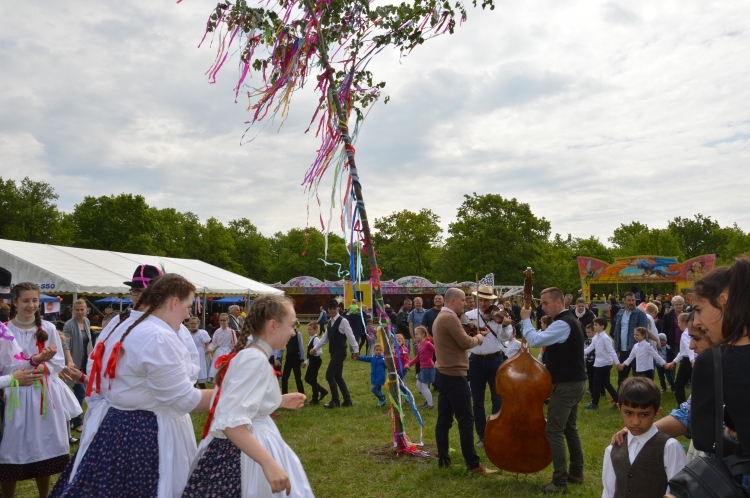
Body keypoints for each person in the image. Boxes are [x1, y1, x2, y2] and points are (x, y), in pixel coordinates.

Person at [50, 274, 213, 498]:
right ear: (174, 303)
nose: (188, 313)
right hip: (146, 431)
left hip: (119, 425)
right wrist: (231, 393)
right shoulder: (156, 335)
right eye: (187, 306)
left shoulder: (129, 325)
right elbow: (184, 400)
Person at [181, 294, 311, 497]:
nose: (294, 333)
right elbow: (231, 422)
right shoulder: (254, 359)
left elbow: (238, 398)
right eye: (292, 325)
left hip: (250, 441)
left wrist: (278, 400)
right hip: (246, 451)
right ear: (273, 325)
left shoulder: (252, 354)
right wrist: (269, 463)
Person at [0, 282, 73, 498]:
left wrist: (40, 364)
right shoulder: (5, 329)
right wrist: (30, 364)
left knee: (43, 444)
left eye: (34, 300)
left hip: (42, 394)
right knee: (11, 448)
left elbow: (58, 362)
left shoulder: (48, 329)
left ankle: (45, 495)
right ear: (15, 302)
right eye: (25, 300)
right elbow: (4, 366)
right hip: (15, 395)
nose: (31, 305)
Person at [690, 257, 750, 494]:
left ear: (723, 302)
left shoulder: (714, 361)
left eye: (698, 310)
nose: (697, 322)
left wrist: (742, 453)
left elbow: (704, 439)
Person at [520, 287, 587, 494]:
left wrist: (525, 319)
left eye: (545, 303)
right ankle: (575, 472)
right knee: (569, 428)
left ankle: (559, 481)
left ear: (559, 303)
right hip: (575, 382)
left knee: (554, 431)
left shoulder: (562, 323)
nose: (542, 307)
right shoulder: (569, 322)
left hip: (566, 385)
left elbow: (535, 341)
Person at [433, 288, 496, 474]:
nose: (466, 303)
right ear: (452, 301)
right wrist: (480, 337)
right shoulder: (450, 318)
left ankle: (444, 459)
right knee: (466, 420)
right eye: (462, 300)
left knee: (444, 420)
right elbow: (465, 343)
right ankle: (474, 464)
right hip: (454, 375)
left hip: (443, 373)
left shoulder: (441, 317)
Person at [601, 377, 686, 498]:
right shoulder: (613, 449)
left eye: (644, 414)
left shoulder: (670, 447)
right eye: (629, 413)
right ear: (619, 408)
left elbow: (677, 490)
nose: (636, 422)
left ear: (657, 412)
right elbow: (608, 492)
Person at [465, 284, 513, 447]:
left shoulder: (499, 315)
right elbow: (465, 334)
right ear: (477, 299)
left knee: (497, 398)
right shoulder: (470, 315)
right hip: (476, 360)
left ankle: (496, 431)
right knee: (477, 400)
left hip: (495, 360)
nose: (484, 303)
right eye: (481, 300)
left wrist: (506, 325)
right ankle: (482, 435)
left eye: (487, 300)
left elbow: (504, 338)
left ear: (491, 300)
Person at [310, 300, 359, 408]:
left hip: (340, 352)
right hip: (334, 352)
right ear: (328, 309)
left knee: (329, 375)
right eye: (330, 309)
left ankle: (335, 400)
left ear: (338, 309)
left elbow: (351, 336)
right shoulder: (330, 322)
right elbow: (325, 338)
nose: (332, 311)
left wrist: (355, 350)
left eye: (334, 309)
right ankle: (347, 400)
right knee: (338, 377)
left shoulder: (343, 321)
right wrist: (315, 348)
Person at [61, 299, 93, 434]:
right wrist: (69, 360)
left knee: (81, 392)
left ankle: (73, 419)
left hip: (85, 361)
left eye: (82, 309)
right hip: (73, 363)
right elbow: (65, 343)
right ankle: (77, 421)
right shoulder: (69, 325)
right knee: (80, 392)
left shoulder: (86, 322)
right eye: (77, 310)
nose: (80, 312)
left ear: (86, 310)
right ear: (73, 310)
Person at [611, 292, 651, 387]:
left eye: (633, 300)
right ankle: (620, 398)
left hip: (636, 349)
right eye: (629, 300)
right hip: (623, 349)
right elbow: (616, 332)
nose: (631, 302)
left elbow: (643, 331)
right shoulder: (620, 313)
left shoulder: (640, 314)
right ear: (624, 301)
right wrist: (616, 347)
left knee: (637, 376)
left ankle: (636, 397)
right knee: (622, 375)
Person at [584, 317, 620, 409]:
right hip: (600, 363)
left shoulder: (605, 338)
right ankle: (619, 401)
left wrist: (618, 363)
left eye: (596, 325)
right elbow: (589, 349)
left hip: (604, 364)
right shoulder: (596, 337)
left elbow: (612, 351)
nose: (594, 326)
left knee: (596, 382)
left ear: (602, 326)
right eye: (594, 324)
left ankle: (594, 403)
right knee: (606, 383)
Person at [663, 313, 693, 405]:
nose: (678, 324)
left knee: (679, 385)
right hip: (691, 360)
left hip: (688, 362)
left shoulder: (685, 334)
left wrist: (692, 360)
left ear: (684, 322)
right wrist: (673, 362)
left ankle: (682, 407)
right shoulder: (690, 333)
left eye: (679, 322)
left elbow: (689, 348)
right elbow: (682, 352)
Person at [406, 325, 435, 409]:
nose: (415, 336)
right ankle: (428, 400)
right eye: (415, 334)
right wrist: (409, 364)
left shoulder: (428, 344)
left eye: (417, 334)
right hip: (423, 368)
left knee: (425, 386)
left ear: (423, 334)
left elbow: (436, 351)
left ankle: (430, 404)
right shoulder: (419, 345)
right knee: (418, 384)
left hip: (428, 367)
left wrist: (439, 361)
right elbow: (418, 357)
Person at [302, 322, 327, 405]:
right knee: (308, 378)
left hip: (316, 361)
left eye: (311, 329)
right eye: (308, 329)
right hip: (312, 361)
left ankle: (315, 399)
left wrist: (314, 353)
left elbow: (320, 352)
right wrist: (306, 362)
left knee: (312, 379)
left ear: (316, 330)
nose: (309, 331)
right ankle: (322, 390)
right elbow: (310, 355)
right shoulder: (311, 338)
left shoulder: (316, 339)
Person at [209, 313, 237, 381]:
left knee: (227, 369)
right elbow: (214, 343)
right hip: (219, 351)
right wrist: (209, 349)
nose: (222, 322)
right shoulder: (217, 331)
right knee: (217, 369)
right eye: (221, 320)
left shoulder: (231, 331)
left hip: (228, 351)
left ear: (228, 321)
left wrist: (233, 353)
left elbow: (235, 343)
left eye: (224, 320)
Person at [281, 323, 305, 396]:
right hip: (288, 358)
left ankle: (302, 395)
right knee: (284, 377)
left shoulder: (298, 334)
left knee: (298, 377)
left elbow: (301, 347)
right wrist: (277, 358)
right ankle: (284, 395)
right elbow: (281, 347)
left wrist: (302, 359)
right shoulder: (286, 335)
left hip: (296, 358)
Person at [187, 316, 212, 389]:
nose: (193, 325)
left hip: (200, 353)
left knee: (200, 369)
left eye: (195, 323)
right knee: (192, 371)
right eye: (191, 323)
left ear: (198, 324)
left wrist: (207, 350)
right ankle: (193, 387)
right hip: (190, 354)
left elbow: (207, 343)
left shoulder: (202, 333)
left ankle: (202, 387)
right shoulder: (187, 333)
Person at [661, 296, 684, 364]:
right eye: (676, 304)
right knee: (672, 359)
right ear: (673, 305)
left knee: (685, 360)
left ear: (683, 305)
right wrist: (664, 340)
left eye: (680, 304)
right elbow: (664, 329)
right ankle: (671, 374)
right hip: (672, 341)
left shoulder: (687, 315)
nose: (678, 306)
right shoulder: (667, 316)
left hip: (684, 340)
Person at [583, 323, 597, 397]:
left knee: (595, 376)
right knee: (590, 376)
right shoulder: (586, 341)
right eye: (586, 332)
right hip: (588, 361)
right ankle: (591, 389)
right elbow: (584, 350)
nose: (587, 334)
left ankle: (597, 390)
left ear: (594, 331)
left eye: (589, 332)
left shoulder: (595, 340)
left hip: (595, 360)